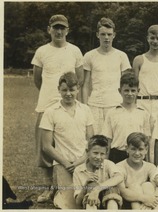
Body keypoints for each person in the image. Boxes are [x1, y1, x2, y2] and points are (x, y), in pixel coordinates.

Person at [31, 14, 84, 203]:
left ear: (67, 30)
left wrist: (68, 96)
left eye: (62, 28)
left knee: (69, 145)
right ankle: (48, 189)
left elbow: (80, 80)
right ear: (49, 29)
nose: (59, 31)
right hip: (46, 105)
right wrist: (50, 97)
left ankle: (71, 183)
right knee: (44, 149)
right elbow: (37, 79)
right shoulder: (41, 51)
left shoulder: (75, 51)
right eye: (55, 27)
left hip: (68, 104)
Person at [39, 72, 93, 208]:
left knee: (88, 199)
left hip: (83, 162)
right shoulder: (50, 111)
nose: (68, 93)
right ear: (59, 89)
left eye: (72, 90)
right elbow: (46, 146)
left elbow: (92, 142)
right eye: (64, 90)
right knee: (71, 205)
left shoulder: (85, 110)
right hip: (63, 164)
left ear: (78, 89)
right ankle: (58, 194)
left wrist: (80, 162)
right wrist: (66, 163)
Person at [82, 17, 132, 134]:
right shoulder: (89, 56)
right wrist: (85, 108)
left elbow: (126, 84)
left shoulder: (121, 56)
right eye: (103, 34)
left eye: (109, 34)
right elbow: (85, 85)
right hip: (95, 105)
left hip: (115, 104)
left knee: (116, 140)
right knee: (95, 141)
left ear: (114, 35)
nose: (106, 37)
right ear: (97, 35)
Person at [132, 24, 158, 163]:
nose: (155, 42)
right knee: (141, 137)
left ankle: (156, 168)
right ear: (147, 38)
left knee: (157, 139)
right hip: (142, 102)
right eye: (152, 38)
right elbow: (134, 85)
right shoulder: (139, 59)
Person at [101, 72, 151, 164]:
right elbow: (108, 141)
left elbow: (146, 140)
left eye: (133, 90)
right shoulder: (112, 113)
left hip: (137, 155)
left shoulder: (144, 113)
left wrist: (148, 162)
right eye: (126, 90)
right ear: (120, 91)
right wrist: (106, 163)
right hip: (117, 155)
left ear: (138, 91)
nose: (130, 94)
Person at [73, 135, 123, 209]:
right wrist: (85, 186)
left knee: (112, 188)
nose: (99, 157)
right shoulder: (78, 170)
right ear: (87, 152)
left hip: (109, 204)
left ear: (106, 154)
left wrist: (97, 189)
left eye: (102, 154)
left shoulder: (108, 164)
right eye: (95, 153)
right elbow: (78, 202)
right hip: (90, 204)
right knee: (91, 185)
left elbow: (119, 177)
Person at [116, 132, 158, 210]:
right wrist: (144, 199)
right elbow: (122, 191)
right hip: (128, 204)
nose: (137, 153)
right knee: (134, 186)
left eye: (140, 149)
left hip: (148, 203)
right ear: (127, 149)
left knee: (148, 185)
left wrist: (150, 201)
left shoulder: (150, 167)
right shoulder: (119, 167)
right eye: (133, 149)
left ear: (146, 150)